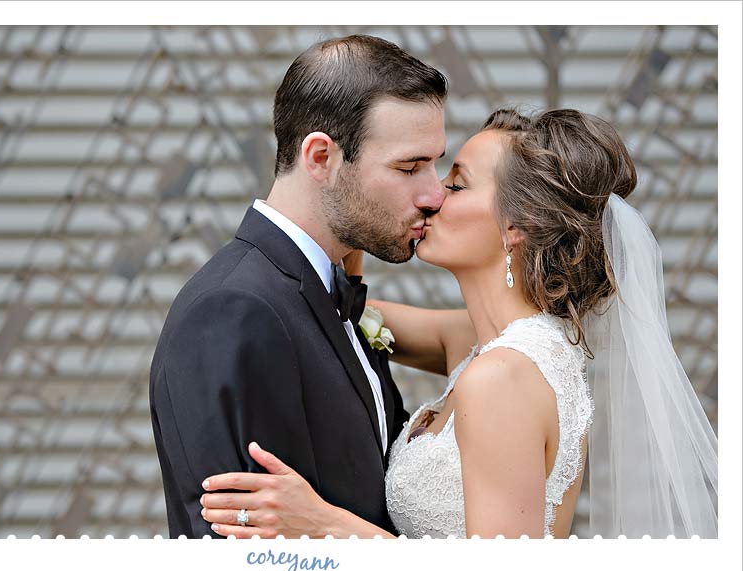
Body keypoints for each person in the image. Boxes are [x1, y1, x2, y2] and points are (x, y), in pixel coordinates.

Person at [199, 108, 719, 539]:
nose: (432, 197)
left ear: (518, 227)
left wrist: (324, 524)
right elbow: (341, 308)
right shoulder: (482, 343)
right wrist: (352, 207)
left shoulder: (503, 379)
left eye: (457, 183)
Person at [149, 34, 450, 538]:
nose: (434, 193)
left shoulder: (329, 291)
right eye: (409, 167)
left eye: (436, 163)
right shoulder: (235, 310)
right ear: (320, 157)